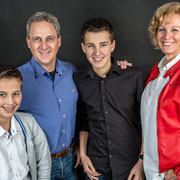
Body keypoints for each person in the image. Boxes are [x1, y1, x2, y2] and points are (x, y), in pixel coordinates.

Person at [73, 18, 144, 180]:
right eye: (90, 46)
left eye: (103, 44)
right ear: (83, 47)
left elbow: (147, 123)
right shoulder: (79, 79)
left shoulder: (134, 76)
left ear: (112, 45)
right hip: (96, 169)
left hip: (130, 168)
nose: (97, 53)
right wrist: (83, 156)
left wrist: (141, 161)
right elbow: (84, 120)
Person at [18, 12, 80, 180]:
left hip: (71, 160)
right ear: (28, 42)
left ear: (59, 41)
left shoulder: (71, 71)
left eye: (50, 38)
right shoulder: (17, 80)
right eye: (37, 39)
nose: (44, 46)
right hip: (38, 165)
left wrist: (117, 66)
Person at [140, 2, 180, 180]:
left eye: (175, 30)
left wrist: (178, 173)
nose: (167, 36)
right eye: (162, 29)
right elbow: (149, 125)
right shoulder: (156, 71)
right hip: (150, 170)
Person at [0, 63, 51, 180]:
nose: (10, 102)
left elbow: (44, 161)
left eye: (16, 94)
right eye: (2, 94)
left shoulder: (28, 122)